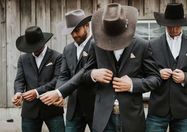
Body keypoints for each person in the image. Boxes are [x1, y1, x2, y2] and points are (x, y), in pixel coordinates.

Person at [41, 3, 162, 132]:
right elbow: (84, 73)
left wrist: (133, 84)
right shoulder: (96, 43)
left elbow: (156, 78)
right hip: (103, 119)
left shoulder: (142, 45)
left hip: (131, 119)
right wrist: (93, 74)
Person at [146, 3, 187, 132]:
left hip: (184, 111)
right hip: (157, 110)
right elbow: (144, 71)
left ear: (182, 23)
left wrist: (186, 77)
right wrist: (158, 73)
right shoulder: (152, 45)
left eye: (177, 25)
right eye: (170, 25)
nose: (174, 29)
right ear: (165, 24)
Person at [41, 9, 95, 132]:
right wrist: (60, 94)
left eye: (77, 30)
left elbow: (84, 74)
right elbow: (63, 75)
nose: (74, 35)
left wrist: (59, 92)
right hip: (74, 108)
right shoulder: (68, 49)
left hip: (95, 107)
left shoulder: (97, 45)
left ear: (87, 26)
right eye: (71, 32)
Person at [12, 26, 65, 132]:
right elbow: (19, 79)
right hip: (29, 111)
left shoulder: (57, 57)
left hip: (52, 109)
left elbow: (57, 79)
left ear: (43, 42)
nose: (32, 50)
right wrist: (18, 92)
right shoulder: (23, 59)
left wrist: (36, 92)